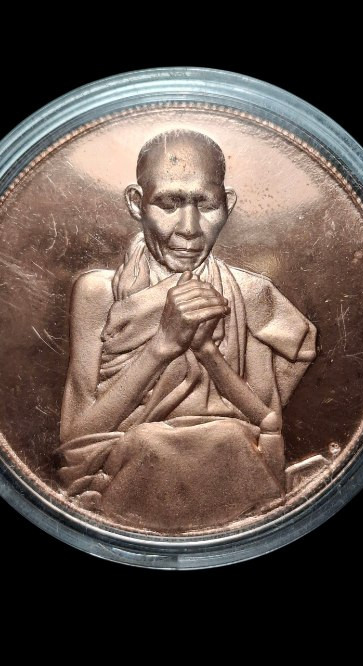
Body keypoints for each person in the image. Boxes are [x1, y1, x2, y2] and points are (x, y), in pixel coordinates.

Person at [57, 129, 316, 532]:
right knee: (150, 444)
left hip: (231, 469)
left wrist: (209, 356)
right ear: (135, 203)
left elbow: (268, 418)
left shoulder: (250, 293)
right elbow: (77, 439)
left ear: (228, 204)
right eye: (169, 203)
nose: (190, 228)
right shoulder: (98, 293)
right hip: (132, 478)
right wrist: (162, 346)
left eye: (206, 204)